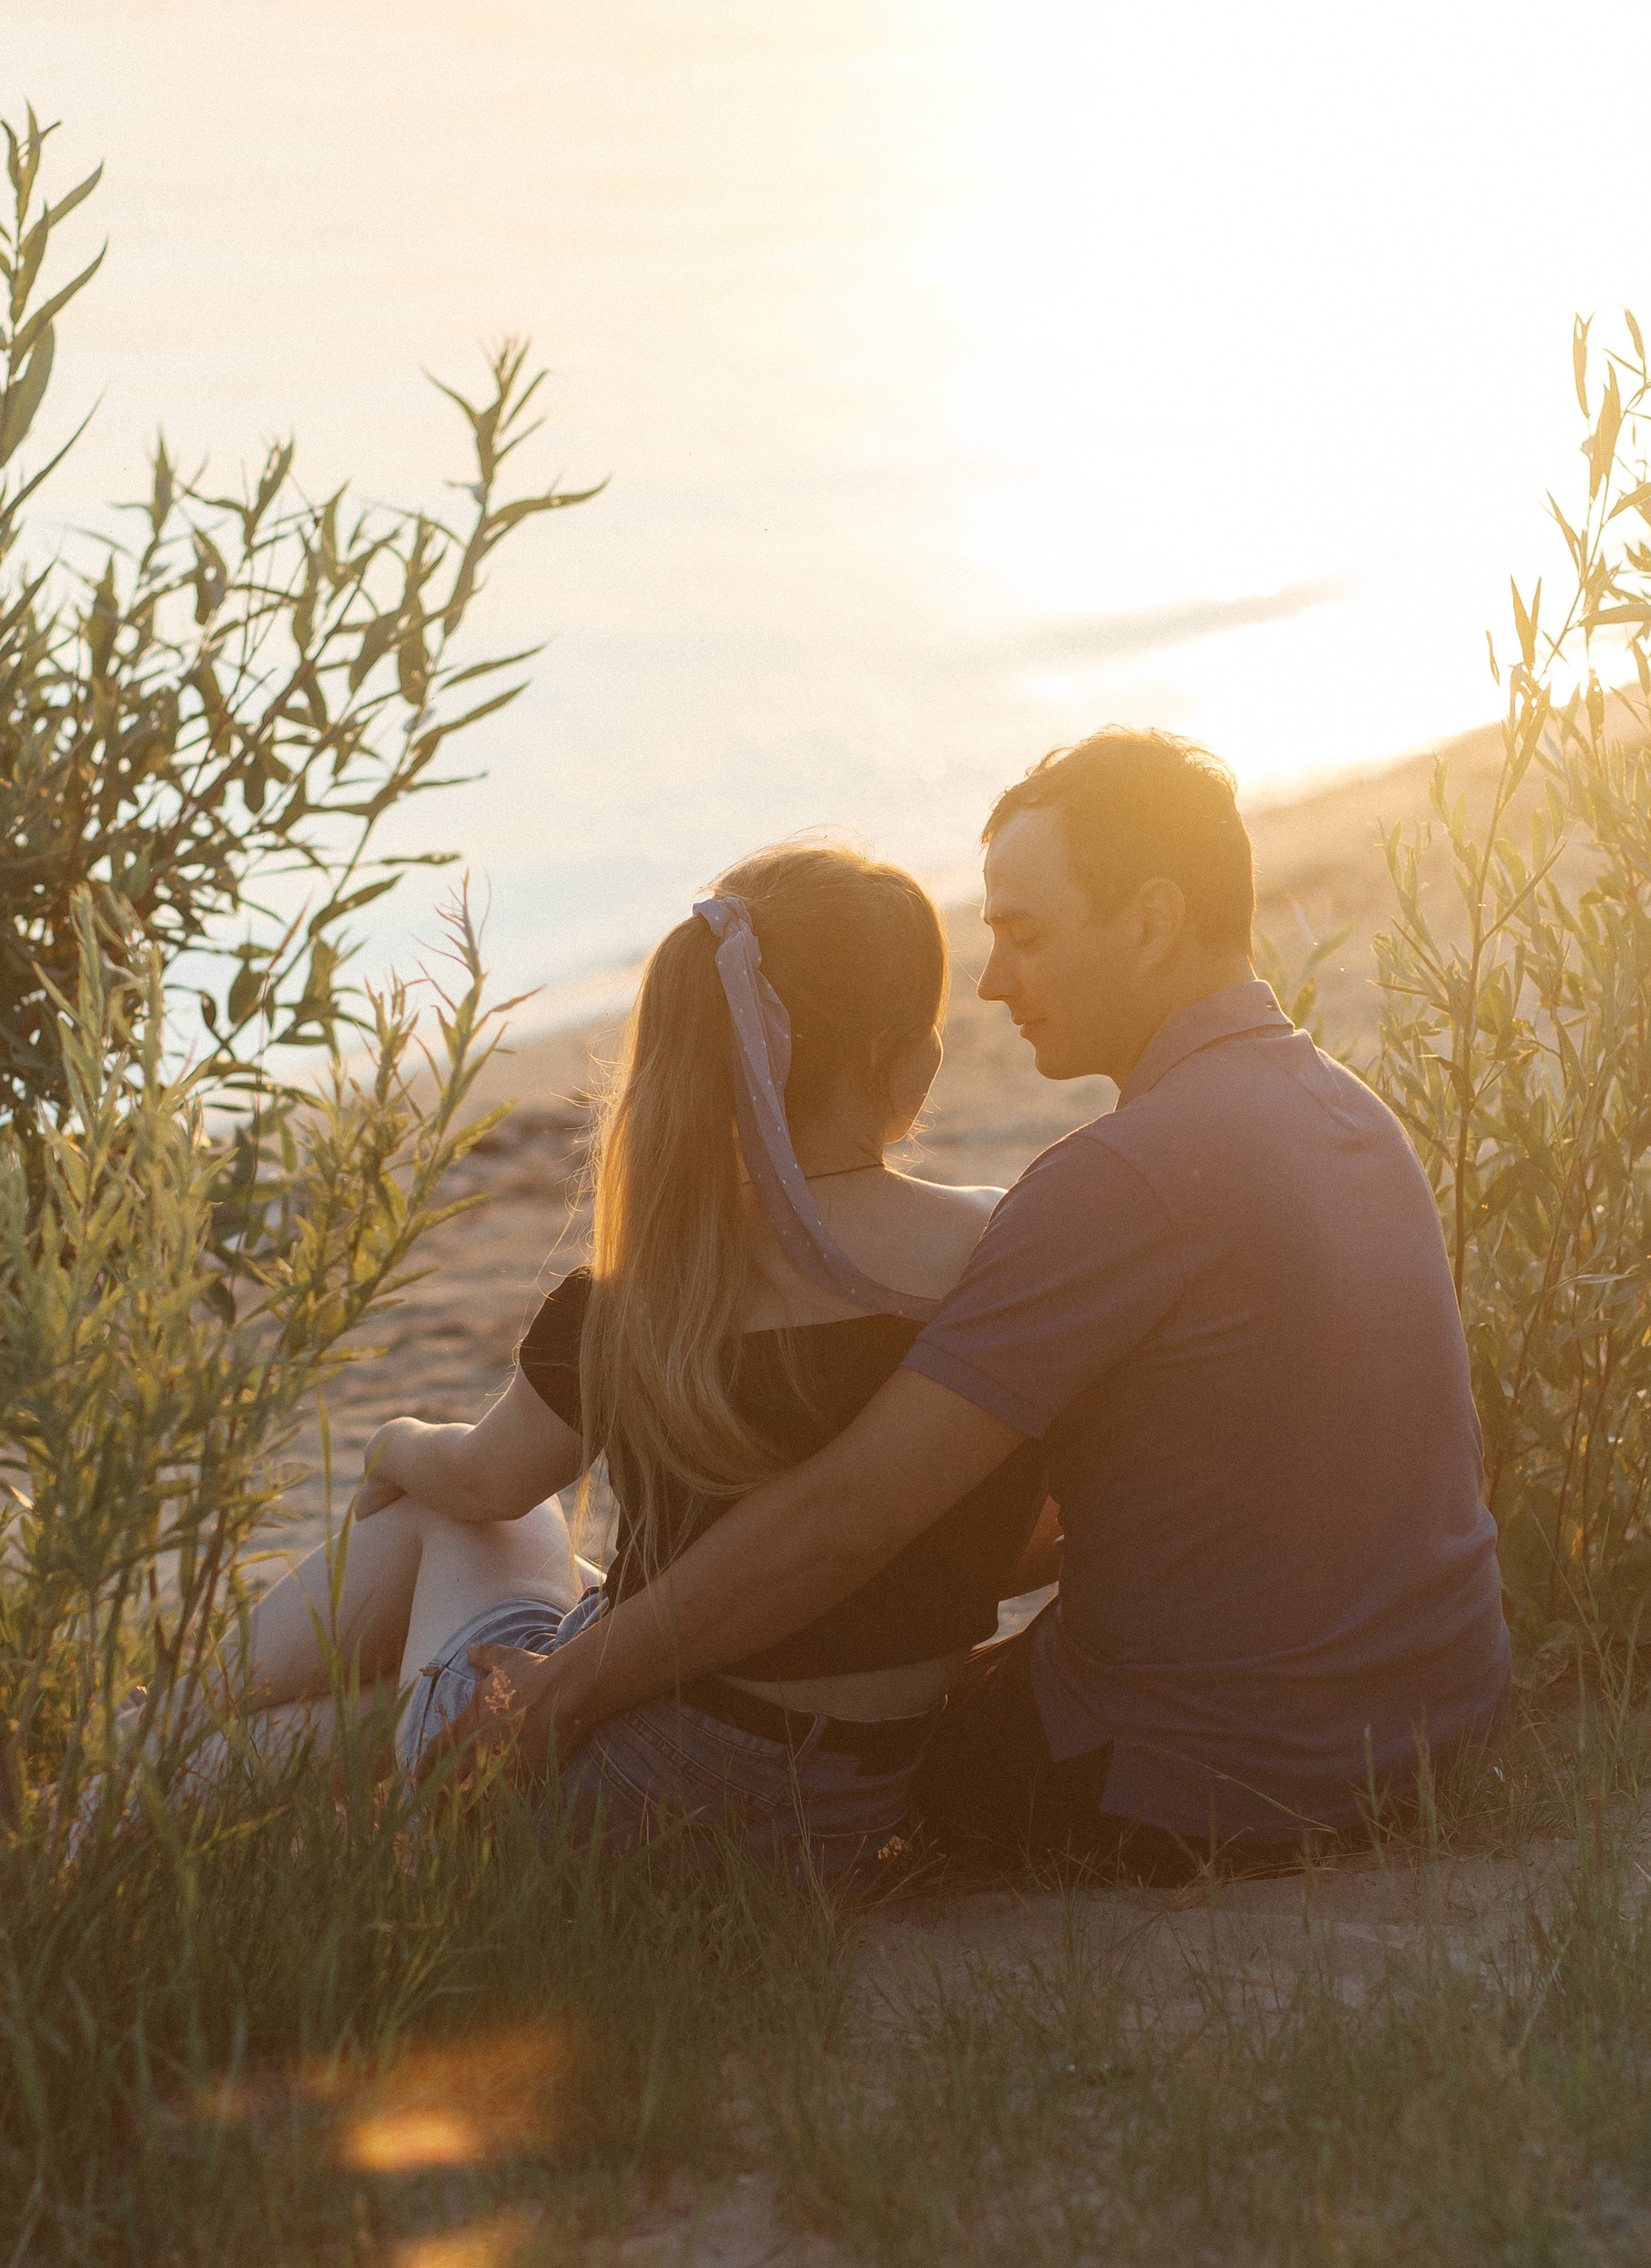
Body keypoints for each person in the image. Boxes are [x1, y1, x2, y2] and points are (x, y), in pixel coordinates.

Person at [477, 727, 1511, 1877]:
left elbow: (848, 1518)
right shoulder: (1348, 1111)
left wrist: (566, 1690)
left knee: (845, 1741)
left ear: (1154, 921)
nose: (990, 980)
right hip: (1435, 1719)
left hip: (1212, 1777)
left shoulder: (1121, 1180)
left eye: (1023, 934)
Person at [228, 840, 1050, 1876]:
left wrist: (394, 1446)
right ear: (914, 1066)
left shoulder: (649, 1297)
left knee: (466, 1512)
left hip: (626, 1798)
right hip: (847, 1802)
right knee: (323, 1725)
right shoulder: (1007, 1249)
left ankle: (143, 1745)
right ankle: (145, 1760)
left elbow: (483, 1482)